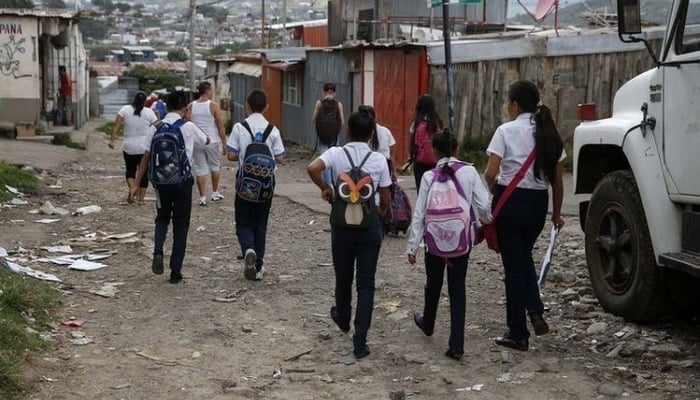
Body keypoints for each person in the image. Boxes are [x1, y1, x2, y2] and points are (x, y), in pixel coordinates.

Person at [484, 80, 565, 351]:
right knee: (524, 256)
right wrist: (556, 214)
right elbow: (558, 180)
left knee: (513, 268)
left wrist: (494, 191)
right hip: (538, 206)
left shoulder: (505, 131)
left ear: (515, 104)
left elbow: (491, 173)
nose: (507, 106)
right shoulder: (549, 132)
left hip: (510, 203)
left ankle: (518, 333)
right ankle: (535, 311)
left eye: (508, 101)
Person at [307, 110, 392, 359]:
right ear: (371, 135)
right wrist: (379, 214)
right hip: (369, 227)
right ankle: (360, 341)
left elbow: (312, 168)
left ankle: (343, 319)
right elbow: (386, 198)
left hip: (341, 226)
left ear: (348, 131)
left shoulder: (336, 153)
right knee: (366, 284)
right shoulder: (378, 160)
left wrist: (326, 189)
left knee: (343, 276)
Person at [406, 129, 492, 360]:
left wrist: (412, 246)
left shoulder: (428, 177)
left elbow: (420, 214)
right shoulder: (470, 172)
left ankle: (428, 322)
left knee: (433, 283)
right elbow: (484, 206)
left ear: (434, 151)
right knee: (457, 288)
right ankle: (457, 344)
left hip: (434, 240)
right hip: (461, 239)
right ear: (456, 149)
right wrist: (486, 224)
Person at [133, 91, 210, 284]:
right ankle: (175, 271)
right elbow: (207, 140)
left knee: (162, 218)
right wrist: (190, 120)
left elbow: (146, 157)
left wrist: (136, 183)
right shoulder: (189, 126)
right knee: (181, 225)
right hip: (183, 182)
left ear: (166, 107)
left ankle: (158, 250)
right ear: (185, 109)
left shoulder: (155, 127)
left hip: (161, 183)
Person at [226, 89, 285, 281]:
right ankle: (258, 267)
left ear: (247, 106)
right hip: (266, 185)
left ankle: (248, 249)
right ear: (266, 107)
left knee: (243, 221)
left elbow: (231, 155)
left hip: (245, 184)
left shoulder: (239, 127)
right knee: (261, 224)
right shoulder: (273, 130)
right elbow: (280, 158)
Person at [108, 91, 159, 203]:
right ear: (145, 101)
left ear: (133, 99)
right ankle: (141, 198)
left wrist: (112, 140)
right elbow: (158, 126)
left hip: (128, 147)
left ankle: (132, 189)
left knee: (130, 171)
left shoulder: (125, 109)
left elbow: (116, 125)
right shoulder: (149, 112)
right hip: (144, 148)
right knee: (144, 172)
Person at [188, 82, 227, 206]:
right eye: (211, 90)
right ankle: (215, 193)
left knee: (200, 169)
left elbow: (188, 124)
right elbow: (220, 126)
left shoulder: (190, 106)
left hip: (197, 141)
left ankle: (202, 197)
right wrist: (224, 143)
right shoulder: (213, 106)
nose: (212, 93)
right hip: (212, 140)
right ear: (208, 91)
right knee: (214, 166)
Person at [312, 83, 345, 185]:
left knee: (325, 160)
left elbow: (313, 119)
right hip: (334, 137)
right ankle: (335, 182)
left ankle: (328, 184)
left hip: (322, 137)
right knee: (334, 160)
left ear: (324, 92)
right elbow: (342, 121)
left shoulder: (319, 103)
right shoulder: (338, 104)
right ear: (335, 92)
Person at [409, 94, 443, 190]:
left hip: (420, 162)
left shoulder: (416, 123)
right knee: (435, 189)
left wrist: (412, 157)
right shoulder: (438, 123)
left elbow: (411, 143)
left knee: (421, 190)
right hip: (436, 161)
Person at [359, 105, 396, 177]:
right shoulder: (385, 131)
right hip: (385, 164)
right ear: (376, 116)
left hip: (367, 165)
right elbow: (392, 153)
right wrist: (393, 170)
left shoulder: (360, 133)